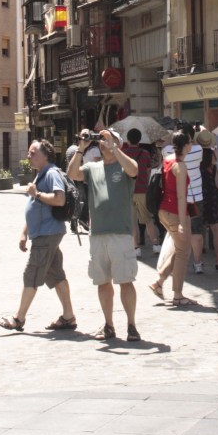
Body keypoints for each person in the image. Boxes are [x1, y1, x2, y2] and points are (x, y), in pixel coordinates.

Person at [67, 127, 141, 341]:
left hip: (121, 233)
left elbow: (134, 169)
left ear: (118, 142)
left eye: (107, 138)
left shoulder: (123, 164)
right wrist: (81, 148)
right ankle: (108, 324)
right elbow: (73, 174)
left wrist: (115, 149)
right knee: (102, 281)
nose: (102, 142)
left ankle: (131, 325)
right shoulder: (92, 166)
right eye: (100, 139)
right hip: (98, 233)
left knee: (125, 280)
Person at [0, 139, 76, 333]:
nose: (28, 156)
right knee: (56, 275)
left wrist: (37, 193)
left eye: (33, 153)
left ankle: (18, 318)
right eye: (29, 153)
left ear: (45, 155)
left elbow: (59, 199)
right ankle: (68, 316)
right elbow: (35, 208)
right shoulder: (42, 174)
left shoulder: (51, 173)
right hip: (46, 233)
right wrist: (24, 232)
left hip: (47, 234)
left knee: (31, 273)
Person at [149, 130, 197, 306]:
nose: (192, 144)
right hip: (175, 212)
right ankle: (177, 294)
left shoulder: (168, 160)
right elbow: (181, 197)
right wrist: (184, 222)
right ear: (185, 145)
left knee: (178, 249)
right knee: (183, 252)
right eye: (190, 142)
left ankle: (159, 283)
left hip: (164, 211)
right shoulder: (180, 166)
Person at [122, 128, 160, 257]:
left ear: (128, 140)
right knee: (148, 219)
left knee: (132, 221)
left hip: (127, 191)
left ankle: (136, 247)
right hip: (142, 189)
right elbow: (149, 170)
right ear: (140, 140)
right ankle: (155, 245)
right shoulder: (145, 154)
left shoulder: (124, 153)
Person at [196, 129, 218, 270]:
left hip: (199, 195)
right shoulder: (214, 156)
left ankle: (199, 262)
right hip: (213, 195)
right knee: (217, 229)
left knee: (199, 230)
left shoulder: (195, 156)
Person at [183, 122, 205, 273]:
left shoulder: (170, 151)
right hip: (196, 197)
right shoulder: (198, 150)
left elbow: (165, 144)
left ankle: (181, 262)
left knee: (180, 232)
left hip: (179, 198)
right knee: (197, 231)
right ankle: (198, 264)